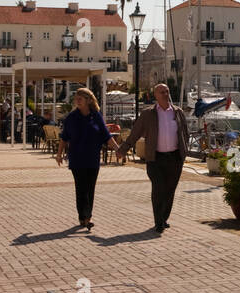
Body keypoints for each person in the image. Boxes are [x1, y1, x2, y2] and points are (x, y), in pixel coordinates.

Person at [118, 83, 189, 233]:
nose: (165, 94)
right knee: (158, 189)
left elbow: (185, 133)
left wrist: (184, 151)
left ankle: (164, 218)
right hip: (155, 158)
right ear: (155, 95)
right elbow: (135, 133)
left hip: (175, 158)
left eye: (167, 91)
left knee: (170, 189)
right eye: (161, 92)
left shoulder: (178, 112)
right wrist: (123, 149)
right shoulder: (148, 114)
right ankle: (158, 222)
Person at [56, 87, 113, 230]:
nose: (77, 101)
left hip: (93, 158)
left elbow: (106, 136)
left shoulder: (96, 116)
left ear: (88, 100)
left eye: (80, 98)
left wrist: (119, 149)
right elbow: (64, 138)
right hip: (77, 159)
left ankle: (85, 217)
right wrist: (59, 154)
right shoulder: (71, 118)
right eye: (76, 98)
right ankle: (86, 218)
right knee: (81, 189)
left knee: (90, 188)